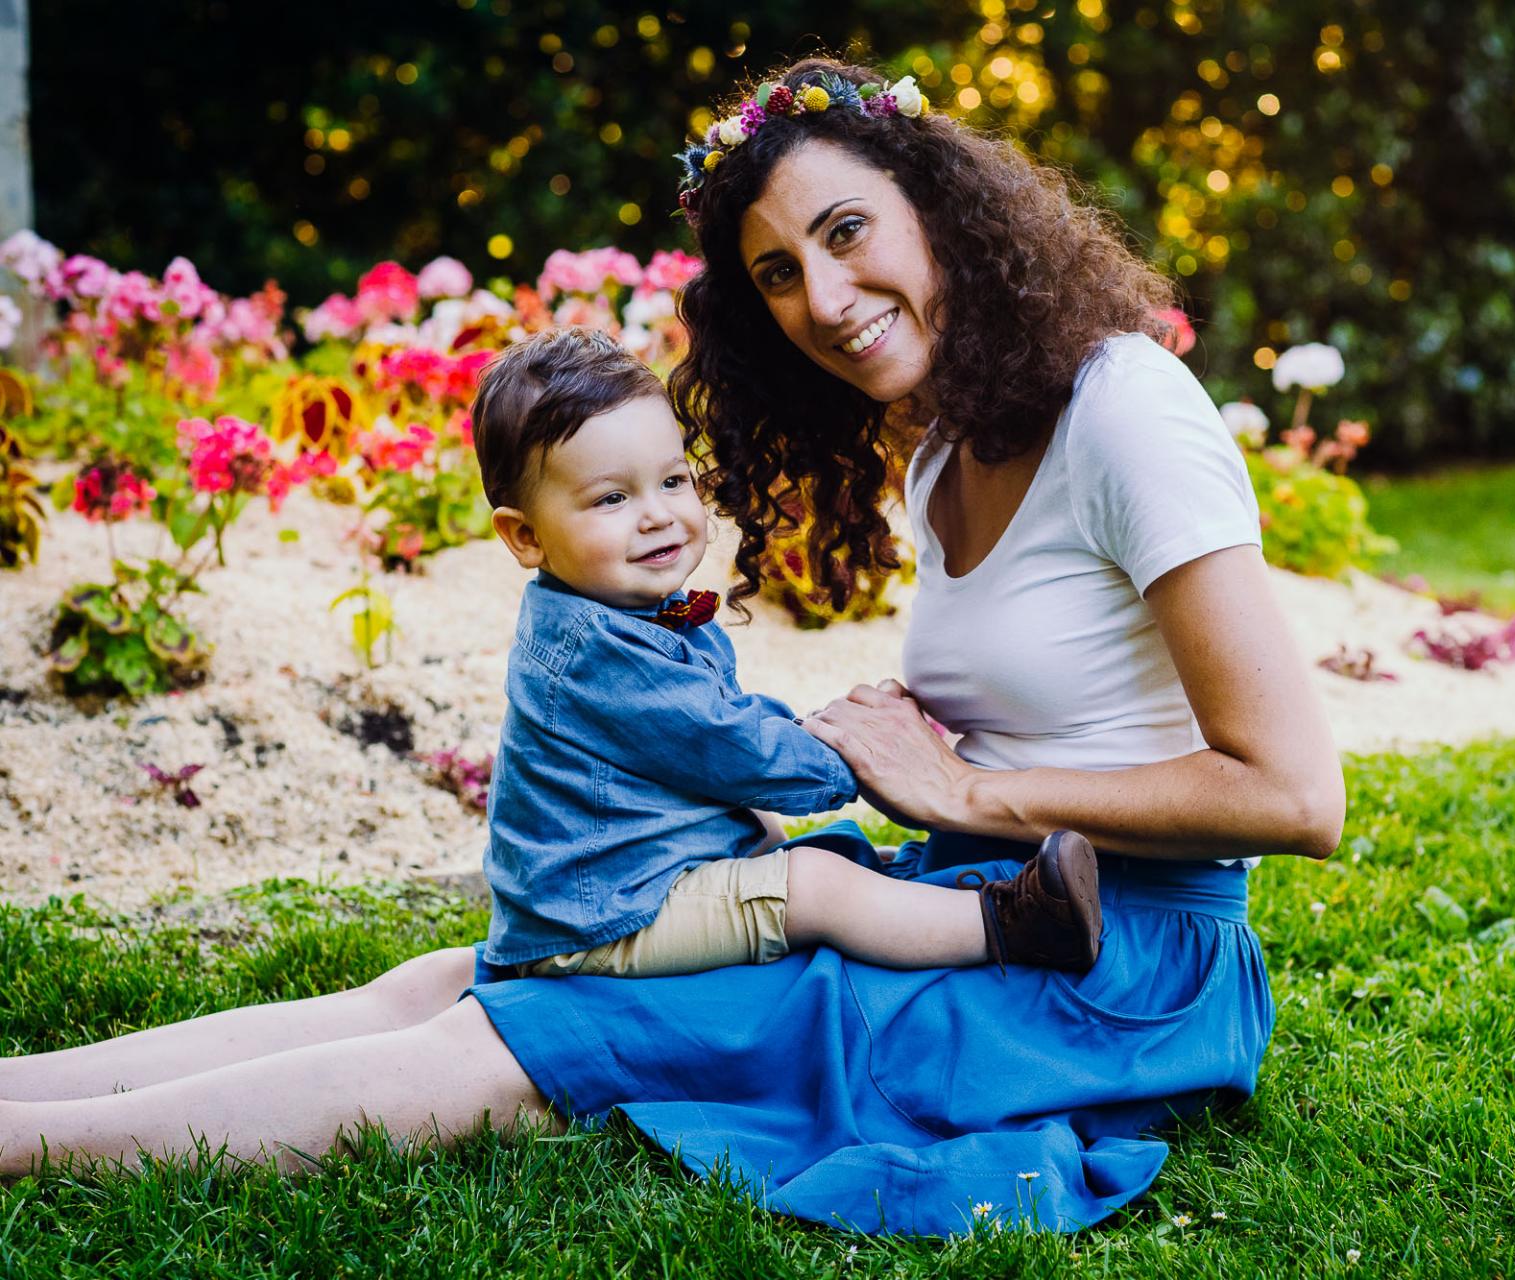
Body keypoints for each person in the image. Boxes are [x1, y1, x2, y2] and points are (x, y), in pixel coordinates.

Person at [0, 56, 1344, 1235]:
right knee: (470, 974)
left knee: (544, 1029)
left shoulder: (1126, 409)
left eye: (846, 230)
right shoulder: (947, 443)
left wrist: (981, 794)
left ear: (943, 204)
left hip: (1109, 959)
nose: (823, 295)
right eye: (777, 273)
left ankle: (24, 1147)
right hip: (975, 900)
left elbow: (1293, 797)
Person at [465, 323, 1104, 980]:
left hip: (626, 882)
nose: (656, 515)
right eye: (611, 498)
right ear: (525, 536)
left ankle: (925, 909)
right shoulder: (596, 653)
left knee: (795, 852)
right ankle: (1019, 922)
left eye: (673, 480)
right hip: (604, 920)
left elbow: (721, 720)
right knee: (819, 887)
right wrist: (855, 758)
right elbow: (725, 744)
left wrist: (821, 728)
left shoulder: (616, 616)